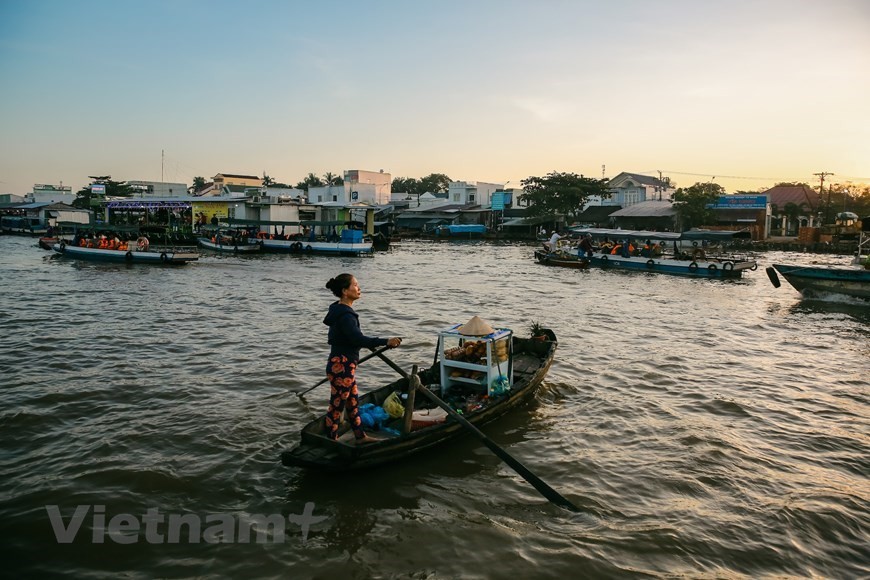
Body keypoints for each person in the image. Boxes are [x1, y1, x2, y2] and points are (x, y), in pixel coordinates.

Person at [323, 274, 402, 443]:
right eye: (355, 285)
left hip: (344, 365)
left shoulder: (337, 309)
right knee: (337, 406)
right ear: (345, 291)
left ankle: (360, 436)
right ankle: (331, 440)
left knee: (352, 402)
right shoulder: (345, 315)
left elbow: (348, 339)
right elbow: (358, 339)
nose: (359, 289)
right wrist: (385, 341)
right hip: (342, 367)